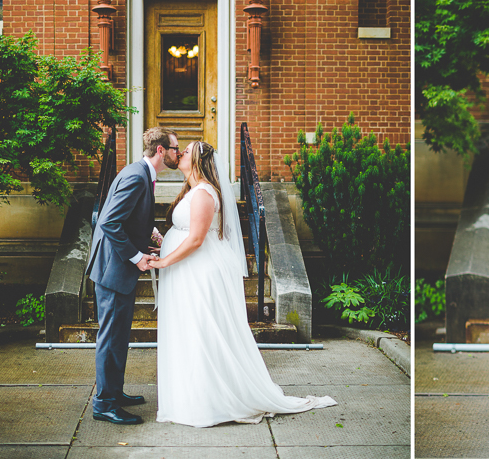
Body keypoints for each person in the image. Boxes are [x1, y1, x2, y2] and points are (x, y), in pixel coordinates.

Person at [148, 141, 336, 427]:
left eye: (186, 151)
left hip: (198, 273)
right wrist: (165, 245)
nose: (180, 154)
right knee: (189, 332)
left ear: (198, 160)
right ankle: (193, 397)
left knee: (202, 333)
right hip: (186, 272)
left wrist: (164, 261)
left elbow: (197, 239)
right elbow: (188, 231)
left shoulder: (204, 193)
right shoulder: (192, 190)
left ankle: (209, 401)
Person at [86, 127, 180, 425]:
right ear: (161, 150)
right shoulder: (138, 176)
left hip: (117, 268)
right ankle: (104, 403)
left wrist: (149, 233)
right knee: (111, 338)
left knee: (118, 336)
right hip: (114, 269)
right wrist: (138, 257)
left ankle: (114, 392)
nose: (178, 152)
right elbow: (109, 221)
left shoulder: (139, 172)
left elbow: (126, 217)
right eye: (175, 148)